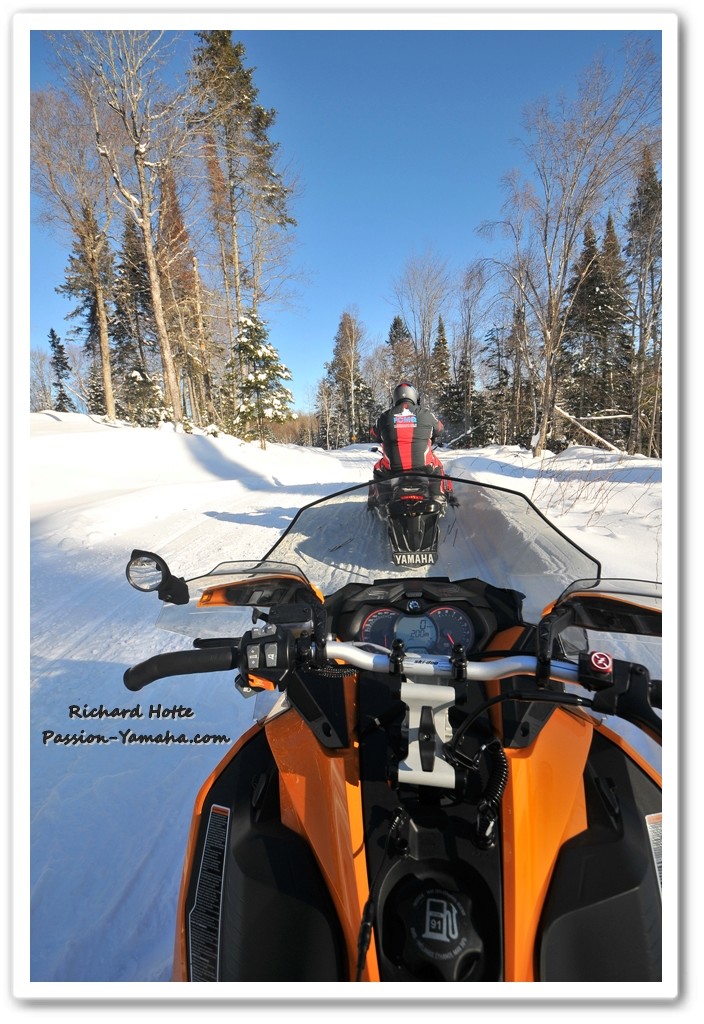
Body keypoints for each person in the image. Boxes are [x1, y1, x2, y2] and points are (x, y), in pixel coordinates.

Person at [368, 382, 456, 506]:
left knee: (377, 468)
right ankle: (438, 495)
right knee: (438, 467)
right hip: (424, 467)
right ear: (414, 396)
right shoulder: (426, 414)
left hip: (393, 469)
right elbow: (440, 429)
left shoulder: (384, 417)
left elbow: (373, 433)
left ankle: (382, 499)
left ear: (395, 397)